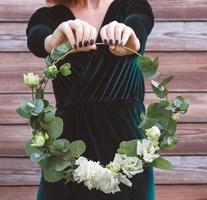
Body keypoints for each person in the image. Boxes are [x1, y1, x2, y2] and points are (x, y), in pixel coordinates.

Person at [26, 0, 155, 199]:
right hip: (69, 149)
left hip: (127, 150)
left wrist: (131, 38)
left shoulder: (133, 6)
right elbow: (37, 38)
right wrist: (52, 42)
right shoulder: (48, 17)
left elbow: (138, 27)